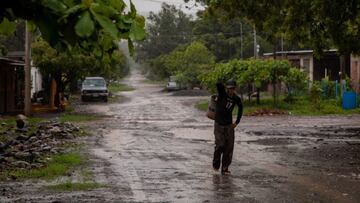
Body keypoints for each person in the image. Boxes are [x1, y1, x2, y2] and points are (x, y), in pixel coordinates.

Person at [213, 79, 243, 175]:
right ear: (226, 88)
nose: (231, 90)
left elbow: (241, 108)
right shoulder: (222, 94)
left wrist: (237, 122)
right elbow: (218, 84)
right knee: (220, 145)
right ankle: (216, 163)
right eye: (229, 88)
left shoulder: (236, 98)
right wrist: (221, 80)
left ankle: (225, 168)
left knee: (229, 147)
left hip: (229, 125)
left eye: (233, 88)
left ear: (235, 89)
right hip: (218, 124)